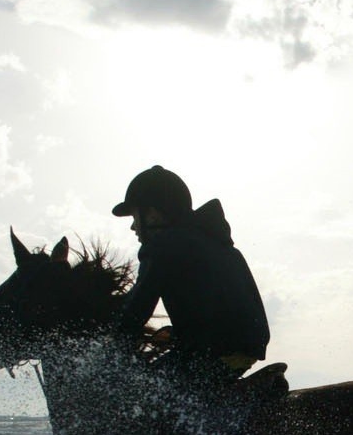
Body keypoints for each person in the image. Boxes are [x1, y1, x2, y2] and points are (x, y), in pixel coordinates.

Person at [113, 165, 270, 394]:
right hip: (246, 349)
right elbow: (216, 306)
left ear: (153, 213)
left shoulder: (161, 246)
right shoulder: (218, 243)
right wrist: (179, 334)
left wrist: (108, 346)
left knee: (138, 393)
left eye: (135, 215)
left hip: (212, 353)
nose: (133, 226)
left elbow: (135, 311)